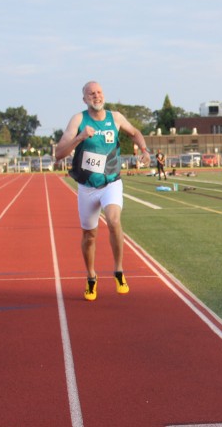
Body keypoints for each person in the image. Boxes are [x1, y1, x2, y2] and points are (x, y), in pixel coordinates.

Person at [54, 80, 150, 301]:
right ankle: (91, 277)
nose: (96, 96)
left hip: (111, 182)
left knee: (114, 221)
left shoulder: (115, 118)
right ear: (84, 99)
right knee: (89, 235)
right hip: (87, 186)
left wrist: (144, 149)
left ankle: (118, 271)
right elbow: (59, 153)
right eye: (91, 94)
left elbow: (134, 132)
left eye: (99, 92)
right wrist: (80, 137)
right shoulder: (78, 120)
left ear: (103, 95)